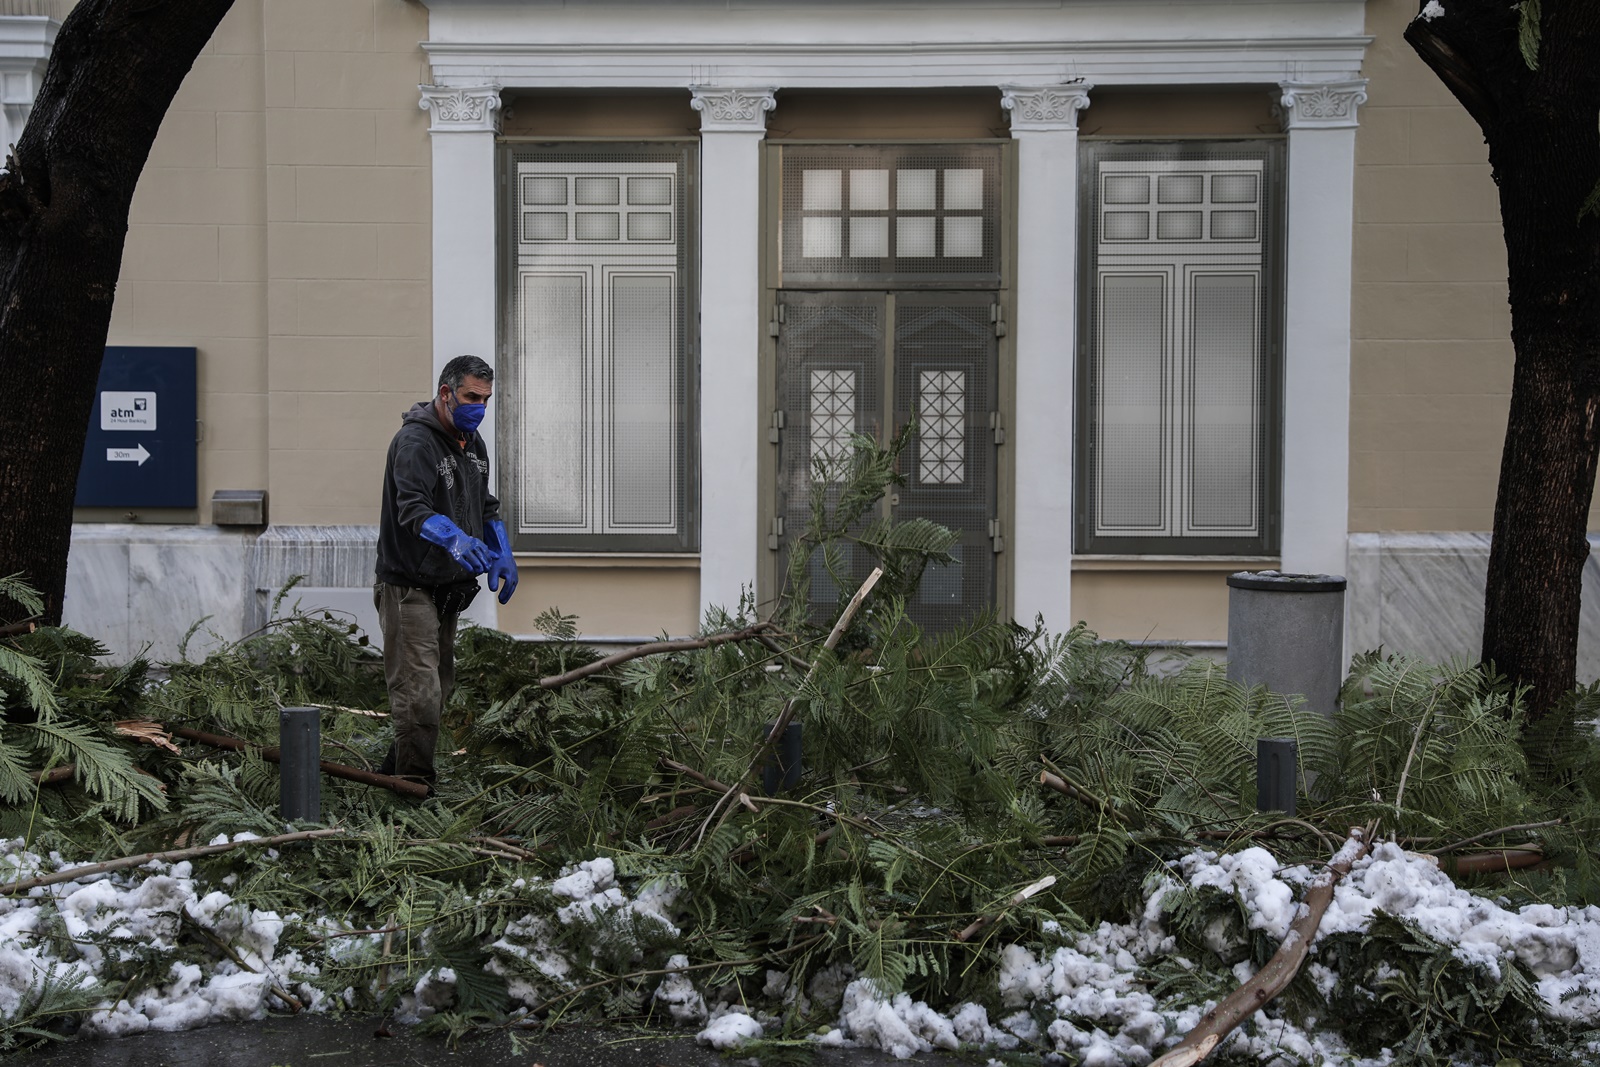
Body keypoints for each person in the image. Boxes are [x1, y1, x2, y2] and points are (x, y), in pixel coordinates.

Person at [373, 355, 518, 792]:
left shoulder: (471, 443)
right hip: (408, 586)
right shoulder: (415, 443)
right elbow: (412, 509)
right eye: (472, 397)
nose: (479, 407)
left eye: (486, 399)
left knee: (438, 687)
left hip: (447, 589)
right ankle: (414, 790)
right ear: (445, 393)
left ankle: (389, 774)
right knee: (419, 694)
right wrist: (457, 539)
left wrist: (503, 552)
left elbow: (486, 505)